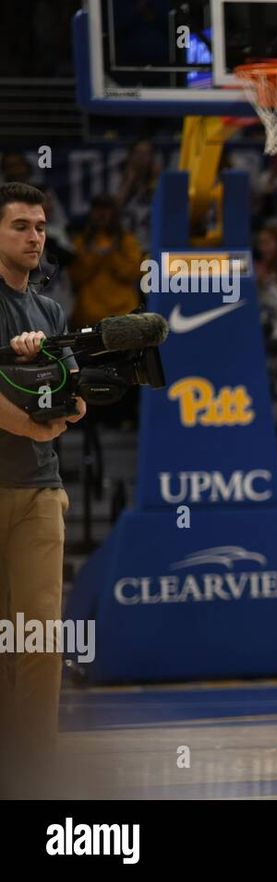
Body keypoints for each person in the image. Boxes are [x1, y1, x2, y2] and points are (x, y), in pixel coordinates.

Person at [0, 183, 87, 796]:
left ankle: (34, 770)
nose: (35, 237)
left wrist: (62, 412)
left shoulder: (52, 312)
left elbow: (77, 398)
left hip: (38, 489)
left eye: (40, 227)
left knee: (38, 637)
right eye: (21, 226)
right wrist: (36, 421)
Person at [66, 194, 143, 327]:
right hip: (89, 316)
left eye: (106, 209)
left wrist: (111, 254)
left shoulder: (127, 241)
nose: (101, 214)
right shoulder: (81, 242)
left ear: (114, 213)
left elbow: (132, 273)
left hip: (123, 313)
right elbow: (75, 277)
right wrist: (95, 256)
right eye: (97, 209)